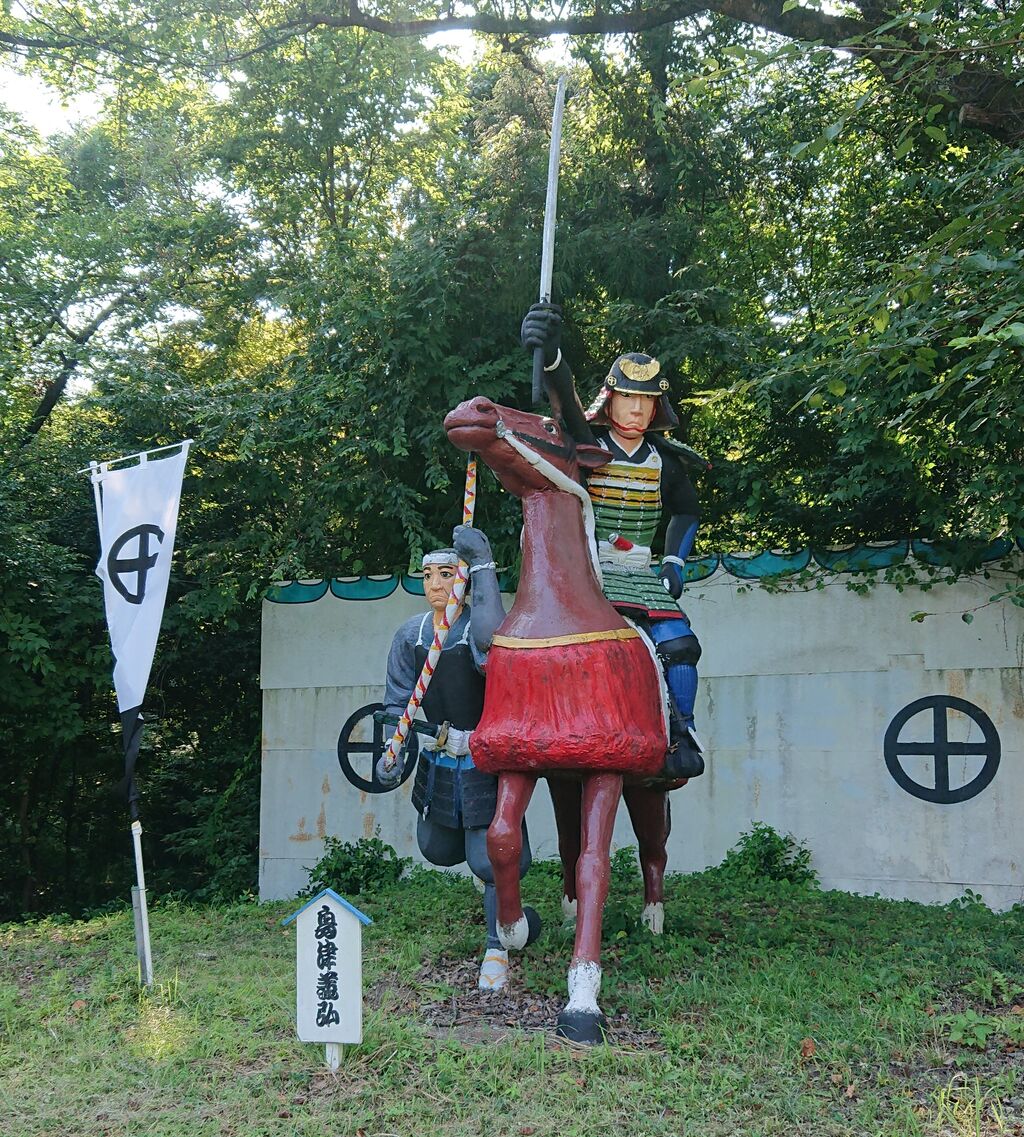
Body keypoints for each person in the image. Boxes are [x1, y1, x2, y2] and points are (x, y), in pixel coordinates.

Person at [521, 304, 705, 778]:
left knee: (681, 646)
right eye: (627, 397)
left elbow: (687, 511)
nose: (636, 409)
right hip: (591, 573)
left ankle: (682, 731)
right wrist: (553, 353)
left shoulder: (666, 461)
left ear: (658, 406)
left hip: (641, 574)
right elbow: (565, 403)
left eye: (646, 400)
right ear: (610, 400)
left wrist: (674, 563)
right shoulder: (590, 447)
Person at [379, 529, 531, 990]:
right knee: (437, 848)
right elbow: (398, 701)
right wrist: (393, 746)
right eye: (428, 575)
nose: (435, 585)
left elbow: (496, 670)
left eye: (446, 574)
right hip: (440, 760)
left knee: (489, 859)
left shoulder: (479, 632)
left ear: (463, 580)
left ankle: (497, 945)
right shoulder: (411, 635)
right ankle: (510, 910)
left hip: (484, 759)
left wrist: (482, 577)